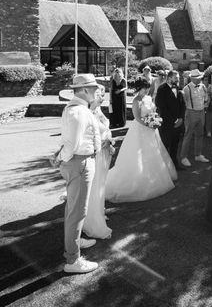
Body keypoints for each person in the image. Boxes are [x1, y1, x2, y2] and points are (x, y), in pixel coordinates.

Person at [106, 77, 177, 202]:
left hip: (151, 130)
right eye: (145, 88)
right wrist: (149, 125)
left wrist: (155, 119)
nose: (147, 90)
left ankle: (154, 178)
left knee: (154, 153)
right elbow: (138, 118)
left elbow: (154, 111)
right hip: (140, 129)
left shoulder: (148, 98)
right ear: (139, 88)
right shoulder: (136, 101)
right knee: (139, 155)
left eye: (148, 87)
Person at [57, 73, 101, 274]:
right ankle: (73, 260)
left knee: (73, 208)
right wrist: (62, 158)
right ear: (83, 90)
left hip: (79, 161)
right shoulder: (78, 112)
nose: (96, 90)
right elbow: (72, 144)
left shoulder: (79, 109)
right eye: (93, 88)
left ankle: (74, 243)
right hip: (80, 163)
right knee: (78, 211)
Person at [83, 84, 115, 239]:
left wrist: (109, 140)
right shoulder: (87, 113)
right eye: (101, 95)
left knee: (101, 185)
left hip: (104, 153)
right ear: (93, 96)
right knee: (94, 186)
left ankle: (99, 212)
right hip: (95, 155)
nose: (103, 98)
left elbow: (105, 130)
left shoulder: (98, 110)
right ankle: (93, 222)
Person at [156, 70, 186, 170]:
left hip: (178, 123)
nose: (178, 79)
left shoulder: (178, 88)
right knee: (165, 146)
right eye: (176, 78)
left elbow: (183, 105)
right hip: (167, 124)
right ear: (169, 78)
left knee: (175, 145)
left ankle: (174, 164)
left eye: (178, 78)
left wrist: (181, 118)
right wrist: (174, 120)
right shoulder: (162, 89)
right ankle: (163, 168)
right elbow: (161, 108)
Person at [180, 69, 210, 166]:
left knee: (200, 134)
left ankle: (198, 155)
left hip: (201, 112)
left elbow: (205, 97)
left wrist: (206, 100)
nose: (199, 80)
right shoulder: (186, 89)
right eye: (197, 78)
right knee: (188, 135)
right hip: (191, 113)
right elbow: (184, 103)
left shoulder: (202, 86)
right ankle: (183, 157)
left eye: (200, 78)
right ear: (192, 78)